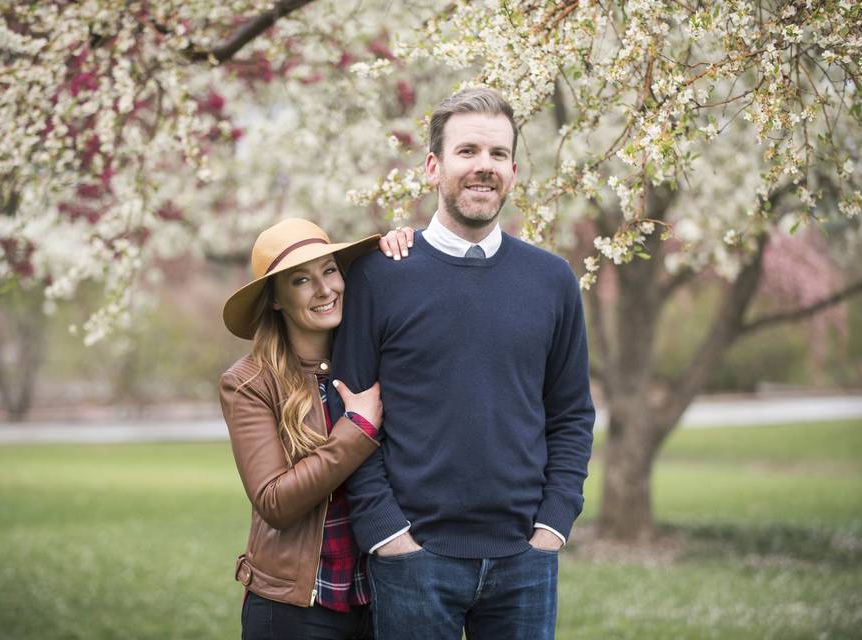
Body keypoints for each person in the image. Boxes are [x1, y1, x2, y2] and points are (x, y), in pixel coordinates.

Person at [329, 88, 596, 639]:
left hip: (525, 559)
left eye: (498, 154)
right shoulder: (378, 277)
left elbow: (571, 414)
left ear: (515, 172)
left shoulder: (552, 282)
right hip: (411, 559)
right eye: (467, 151)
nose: (483, 167)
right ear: (434, 166)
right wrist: (387, 533)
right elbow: (346, 408)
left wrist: (553, 525)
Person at [219, 218, 414, 639]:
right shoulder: (250, 382)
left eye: (329, 270)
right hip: (296, 607)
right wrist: (357, 428)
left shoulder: (371, 358)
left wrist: (401, 251)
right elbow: (275, 501)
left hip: (380, 595)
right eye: (301, 280)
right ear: (275, 299)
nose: (325, 290)